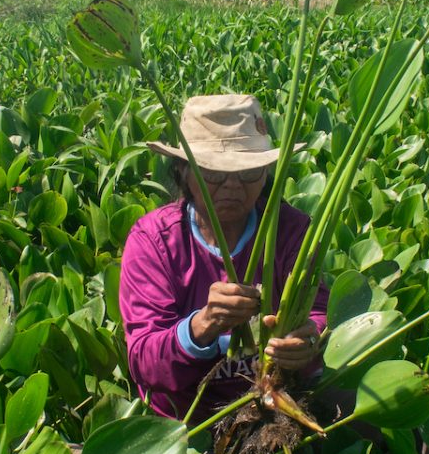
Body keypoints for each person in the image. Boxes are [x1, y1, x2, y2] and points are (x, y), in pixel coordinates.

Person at [119, 94, 328, 420]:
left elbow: (319, 312)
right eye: (213, 174)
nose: (232, 186)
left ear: (266, 173)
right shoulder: (153, 241)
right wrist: (202, 325)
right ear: (183, 172)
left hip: (279, 402)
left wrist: (308, 338)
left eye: (248, 173)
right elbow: (144, 362)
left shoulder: (291, 229)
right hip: (186, 417)